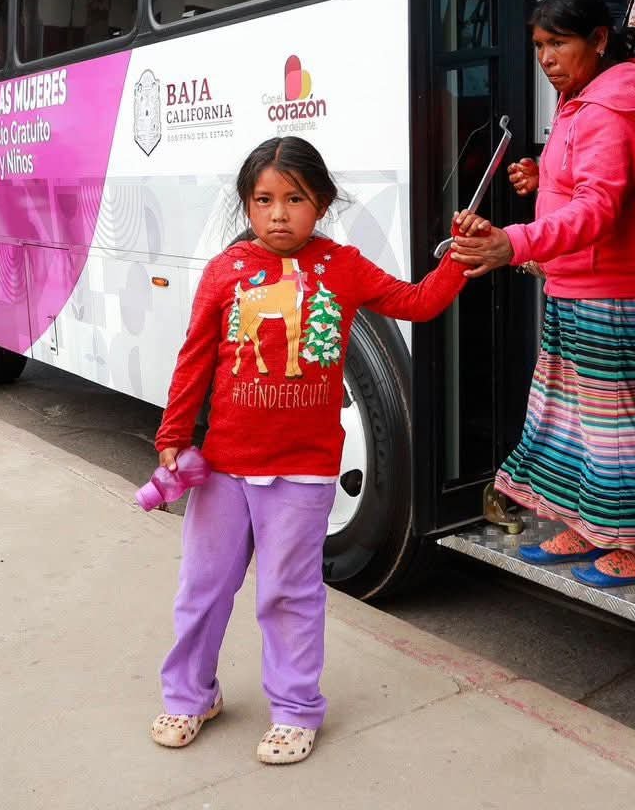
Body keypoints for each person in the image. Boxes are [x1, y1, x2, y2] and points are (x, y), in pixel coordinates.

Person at [151, 136, 469, 764]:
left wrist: (458, 258)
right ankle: (191, 695)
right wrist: (173, 436)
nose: (277, 213)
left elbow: (417, 302)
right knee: (203, 589)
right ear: (247, 205)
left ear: (320, 203)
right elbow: (195, 359)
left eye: (294, 199)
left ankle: (296, 711)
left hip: (302, 473)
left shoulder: (343, 268)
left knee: (288, 593)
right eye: (263, 199)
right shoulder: (224, 272)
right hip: (222, 470)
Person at [451, 0, 635, 588]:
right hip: (575, 286)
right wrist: (543, 176)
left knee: (611, 429)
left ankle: (633, 544)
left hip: (606, 293)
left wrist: (516, 241)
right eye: (539, 45)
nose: (546, 57)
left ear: (600, 40)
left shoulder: (608, 110)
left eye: (559, 43)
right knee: (574, 422)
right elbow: (584, 184)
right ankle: (591, 527)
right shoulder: (581, 104)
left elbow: (600, 210)